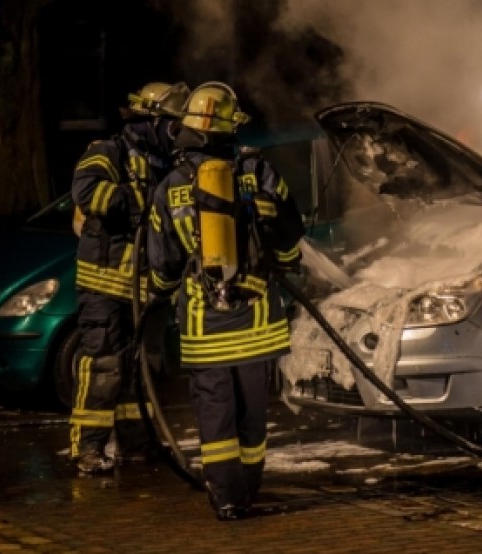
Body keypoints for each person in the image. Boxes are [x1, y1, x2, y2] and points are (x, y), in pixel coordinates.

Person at [146, 81, 305, 520]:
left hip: (204, 328)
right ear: (228, 130)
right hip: (256, 324)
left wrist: (157, 297)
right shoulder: (257, 172)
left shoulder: (169, 189)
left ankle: (228, 498)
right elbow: (291, 234)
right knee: (253, 415)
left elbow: (163, 265)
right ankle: (249, 486)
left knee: (216, 419)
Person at [69, 81, 191, 474]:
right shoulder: (108, 153)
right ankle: (88, 448)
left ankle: (136, 445)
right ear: (150, 120)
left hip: (148, 289)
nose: (177, 133)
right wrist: (139, 200)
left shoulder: (171, 167)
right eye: (172, 124)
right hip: (104, 285)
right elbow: (87, 192)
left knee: (144, 371)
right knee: (105, 367)